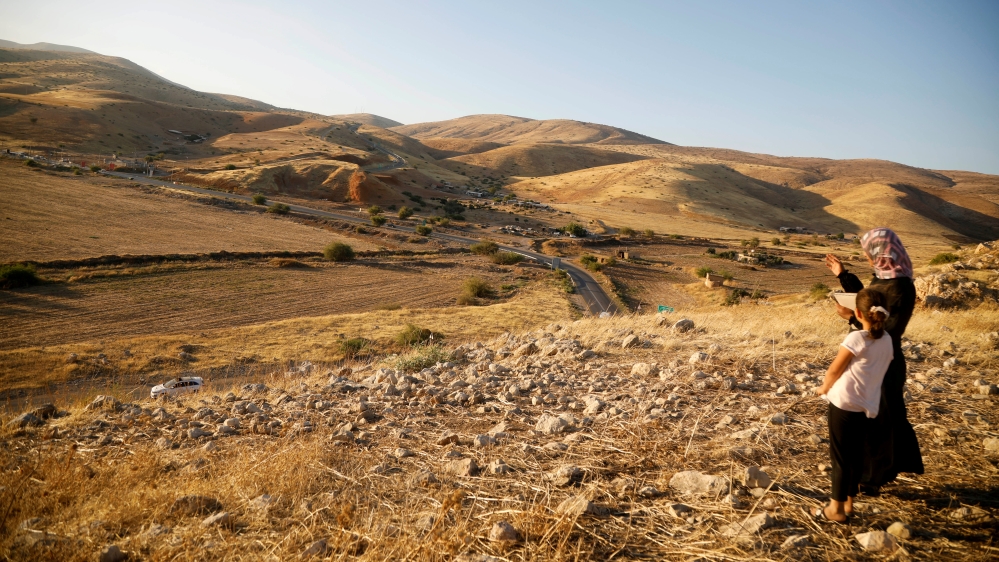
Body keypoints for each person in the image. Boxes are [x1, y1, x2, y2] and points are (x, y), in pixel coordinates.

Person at [824, 228, 924, 494]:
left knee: (880, 420)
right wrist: (843, 276)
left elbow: (886, 330)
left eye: (869, 253)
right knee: (867, 418)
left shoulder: (900, 286)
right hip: (868, 361)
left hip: (883, 363)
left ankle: (873, 478)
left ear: (882, 254)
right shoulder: (884, 278)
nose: (867, 258)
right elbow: (868, 301)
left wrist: (852, 318)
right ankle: (866, 474)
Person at [814, 288, 894, 522]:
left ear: (858, 313)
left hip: (843, 403)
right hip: (867, 406)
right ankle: (849, 504)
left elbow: (835, 369)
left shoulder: (856, 338)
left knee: (840, 458)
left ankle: (835, 510)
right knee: (856, 456)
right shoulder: (888, 340)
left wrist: (823, 388)